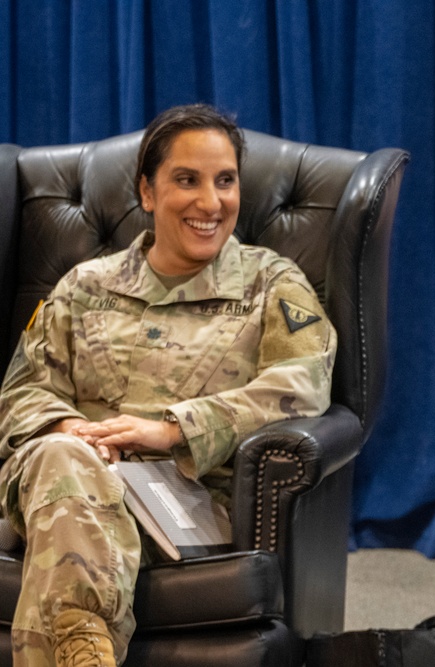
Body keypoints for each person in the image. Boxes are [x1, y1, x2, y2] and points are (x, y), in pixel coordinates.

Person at [0, 104, 337, 666]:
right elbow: (22, 390)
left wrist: (171, 430)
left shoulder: (269, 282)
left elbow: (303, 384)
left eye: (225, 181)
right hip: (63, 484)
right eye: (187, 180)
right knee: (64, 460)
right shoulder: (85, 286)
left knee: (66, 483)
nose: (211, 203)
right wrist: (75, 431)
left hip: (183, 504)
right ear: (148, 193)